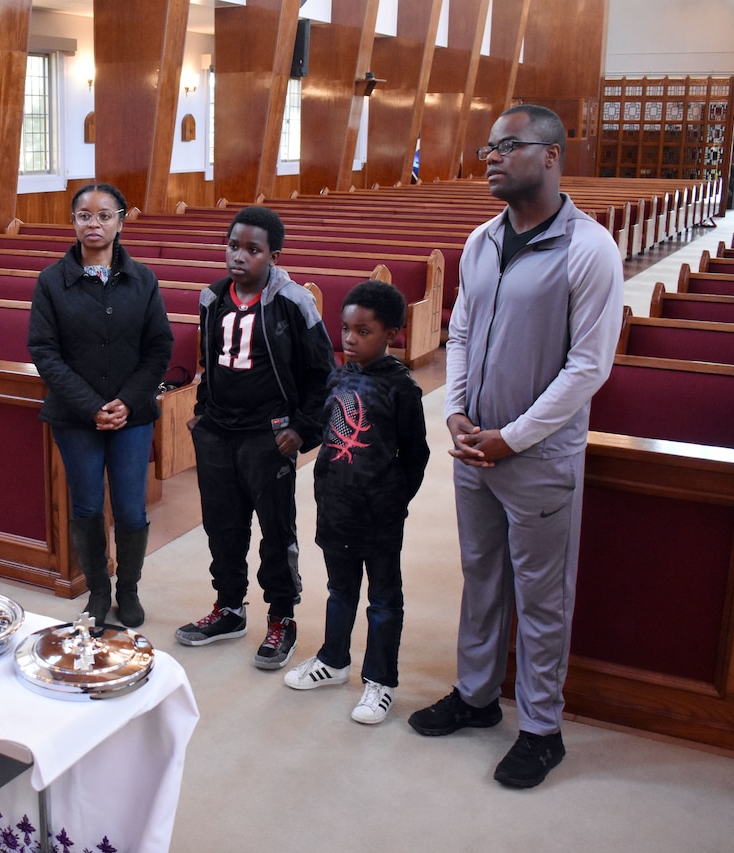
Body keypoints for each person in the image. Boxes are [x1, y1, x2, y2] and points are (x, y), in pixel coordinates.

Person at [406, 105, 623, 788]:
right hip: (477, 444)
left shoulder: (588, 247)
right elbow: (463, 332)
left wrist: (514, 437)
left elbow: (590, 366)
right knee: (482, 577)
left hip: (538, 453)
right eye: (488, 147)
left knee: (542, 595)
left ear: (553, 155)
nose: (491, 157)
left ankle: (540, 727)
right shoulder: (481, 240)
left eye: (508, 146)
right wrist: (458, 410)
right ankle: (475, 697)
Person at [175, 206, 336, 670]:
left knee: (275, 530)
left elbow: (322, 373)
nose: (239, 257)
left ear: (273, 255)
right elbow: (210, 359)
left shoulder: (292, 301)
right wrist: (202, 413)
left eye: (252, 250)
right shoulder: (212, 298)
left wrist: (302, 429)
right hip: (218, 433)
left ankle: (282, 616)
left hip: (268, 436)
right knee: (222, 527)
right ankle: (229, 608)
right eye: (233, 246)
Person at [27, 183, 173, 628]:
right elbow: (44, 350)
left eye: (104, 215)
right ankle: (97, 593)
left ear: (121, 221)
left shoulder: (142, 278)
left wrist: (127, 401)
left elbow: (159, 346)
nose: (94, 224)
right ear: (73, 223)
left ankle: (127, 592)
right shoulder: (52, 281)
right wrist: (92, 406)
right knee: (87, 506)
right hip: (75, 416)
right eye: (85, 216)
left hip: (132, 415)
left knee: (131, 508)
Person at [284, 280, 429, 725]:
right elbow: (325, 430)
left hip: (380, 512)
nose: (349, 339)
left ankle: (380, 680)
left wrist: (394, 499)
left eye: (363, 331)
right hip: (336, 505)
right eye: (345, 329)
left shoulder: (402, 388)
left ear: (391, 334)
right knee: (339, 589)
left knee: (384, 599)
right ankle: (334, 660)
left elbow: (416, 454)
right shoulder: (338, 374)